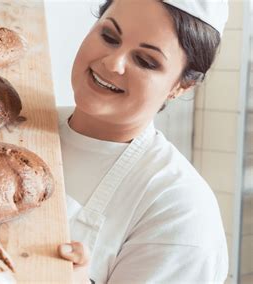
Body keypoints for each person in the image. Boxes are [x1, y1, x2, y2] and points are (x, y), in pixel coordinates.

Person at [56, 0, 229, 283]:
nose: (114, 63)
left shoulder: (181, 211)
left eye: (146, 61)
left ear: (181, 86)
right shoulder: (17, 123)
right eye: (109, 37)